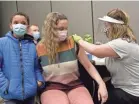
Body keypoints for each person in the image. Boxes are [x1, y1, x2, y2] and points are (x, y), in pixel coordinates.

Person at [36, 12, 108, 104]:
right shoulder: (39, 47)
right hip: (52, 87)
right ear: (50, 29)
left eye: (66, 28)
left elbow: (89, 66)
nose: (64, 32)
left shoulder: (73, 43)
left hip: (75, 85)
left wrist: (102, 84)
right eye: (60, 29)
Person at [72, 8, 139, 104]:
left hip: (131, 93)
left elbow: (94, 51)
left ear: (114, 26)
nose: (105, 29)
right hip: (121, 86)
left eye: (107, 25)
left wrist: (79, 40)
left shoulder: (121, 44)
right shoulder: (122, 42)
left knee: (99, 99)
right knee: (98, 90)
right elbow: (97, 55)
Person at [0, 12, 44, 104]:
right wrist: (5, 86)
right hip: (10, 96)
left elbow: (36, 67)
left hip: (30, 96)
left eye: (23, 23)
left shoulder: (32, 45)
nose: (19, 25)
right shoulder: (2, 43)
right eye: (16, 22)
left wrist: (40, 81)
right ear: (10, 25)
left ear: (27, 27)